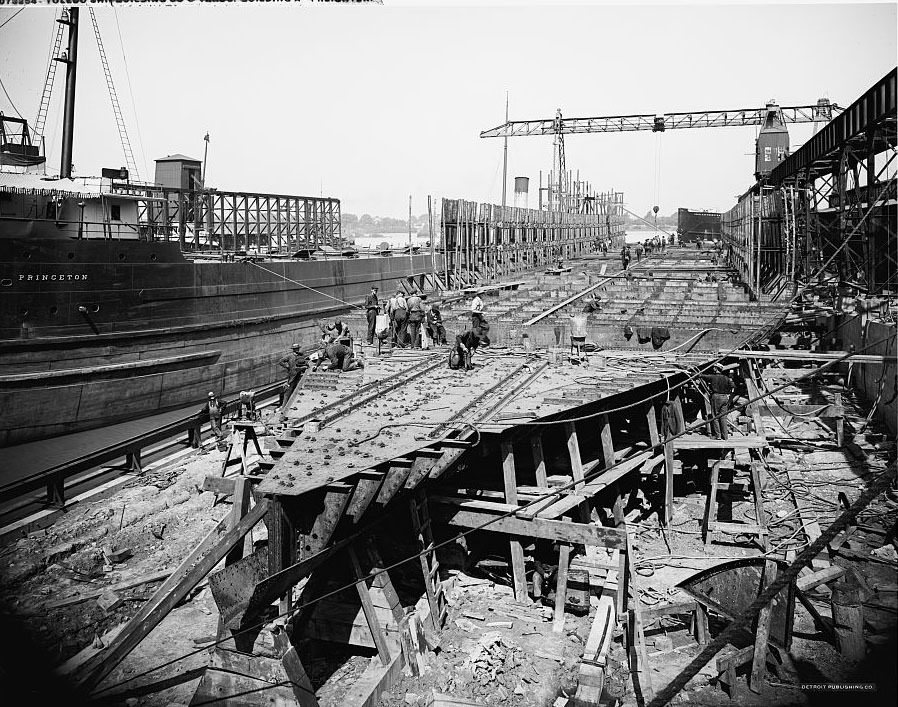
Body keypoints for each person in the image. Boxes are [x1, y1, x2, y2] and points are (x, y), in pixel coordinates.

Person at [698, 365, 736, 440]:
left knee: (715, 417)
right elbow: (733, 386)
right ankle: (725, 436)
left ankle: (717, 436)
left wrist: (692, 373)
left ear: (716, 369)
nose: (713, 369)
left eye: (714, 368)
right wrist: (728, 393)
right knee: (723, 417)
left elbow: (702, 376)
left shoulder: (712, 377)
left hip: (716, 397)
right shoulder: (726, 378)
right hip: (725, 397)